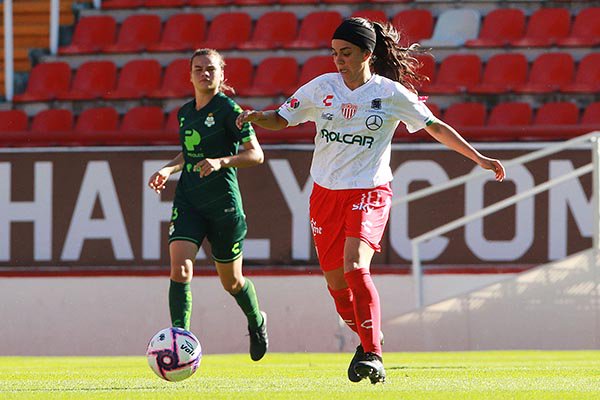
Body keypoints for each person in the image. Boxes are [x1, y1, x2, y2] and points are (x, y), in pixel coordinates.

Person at [236, 18, 506, 383]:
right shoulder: (321, 88)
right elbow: (281, 119)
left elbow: (435, 127)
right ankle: (368, 339)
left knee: (355, 266)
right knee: (335, 283)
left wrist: (480, 159)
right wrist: (256, 117)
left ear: (367, 53)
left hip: (369, 190)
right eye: (334, 53)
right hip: (325, 194)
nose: (338, 60)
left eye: (346, 53)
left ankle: (374, 355)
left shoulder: (390, 94)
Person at [148, 48, 268, 362]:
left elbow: (256, 154)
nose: (205, 74)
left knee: (231, 281)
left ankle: (256, 322)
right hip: (189, 200)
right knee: (181, 268)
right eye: (199, 69)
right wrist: (167, 169)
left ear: (221, 75)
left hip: (223, 204)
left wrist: (221, 161)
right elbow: (189, 153)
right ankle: (179, 340)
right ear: (190, 75)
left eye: (211, 69)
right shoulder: (185, 112)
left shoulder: (229, 109)